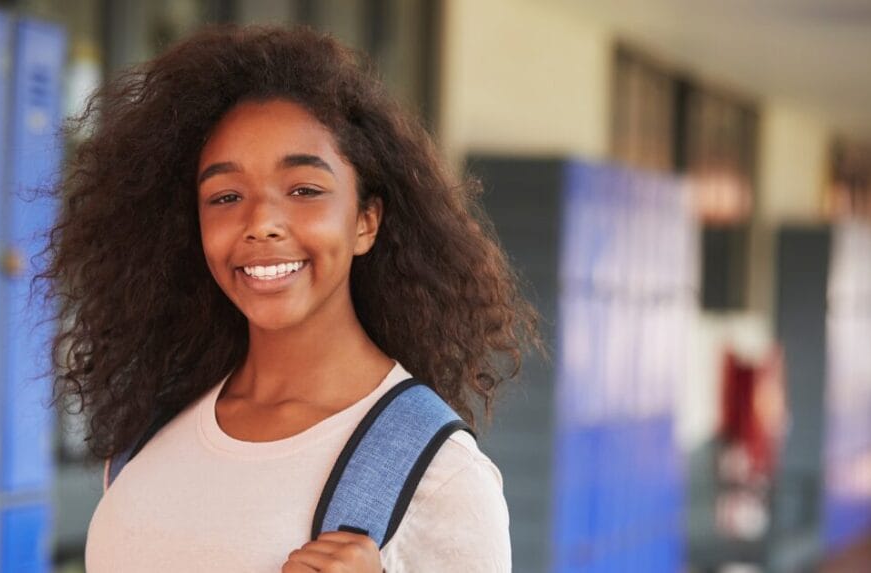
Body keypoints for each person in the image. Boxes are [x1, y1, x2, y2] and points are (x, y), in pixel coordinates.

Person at [38, 24, 538, 572]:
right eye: (226, 196)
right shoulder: (152, 430)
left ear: (366, 221)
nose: (261, 223)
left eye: (304, 190)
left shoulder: (440, 478)